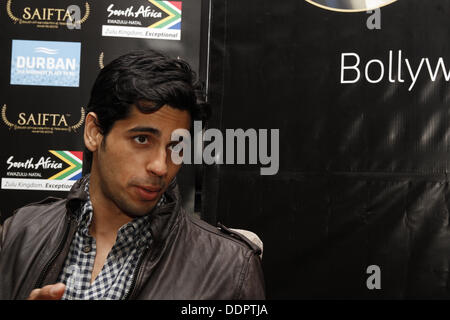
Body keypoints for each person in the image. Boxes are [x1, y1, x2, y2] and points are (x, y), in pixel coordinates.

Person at [0, 50, 265, 300]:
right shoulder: (20, 233)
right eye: (142, 139)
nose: (161, 167)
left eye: (176, 146)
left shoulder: (231, 269)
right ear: (94, 132)